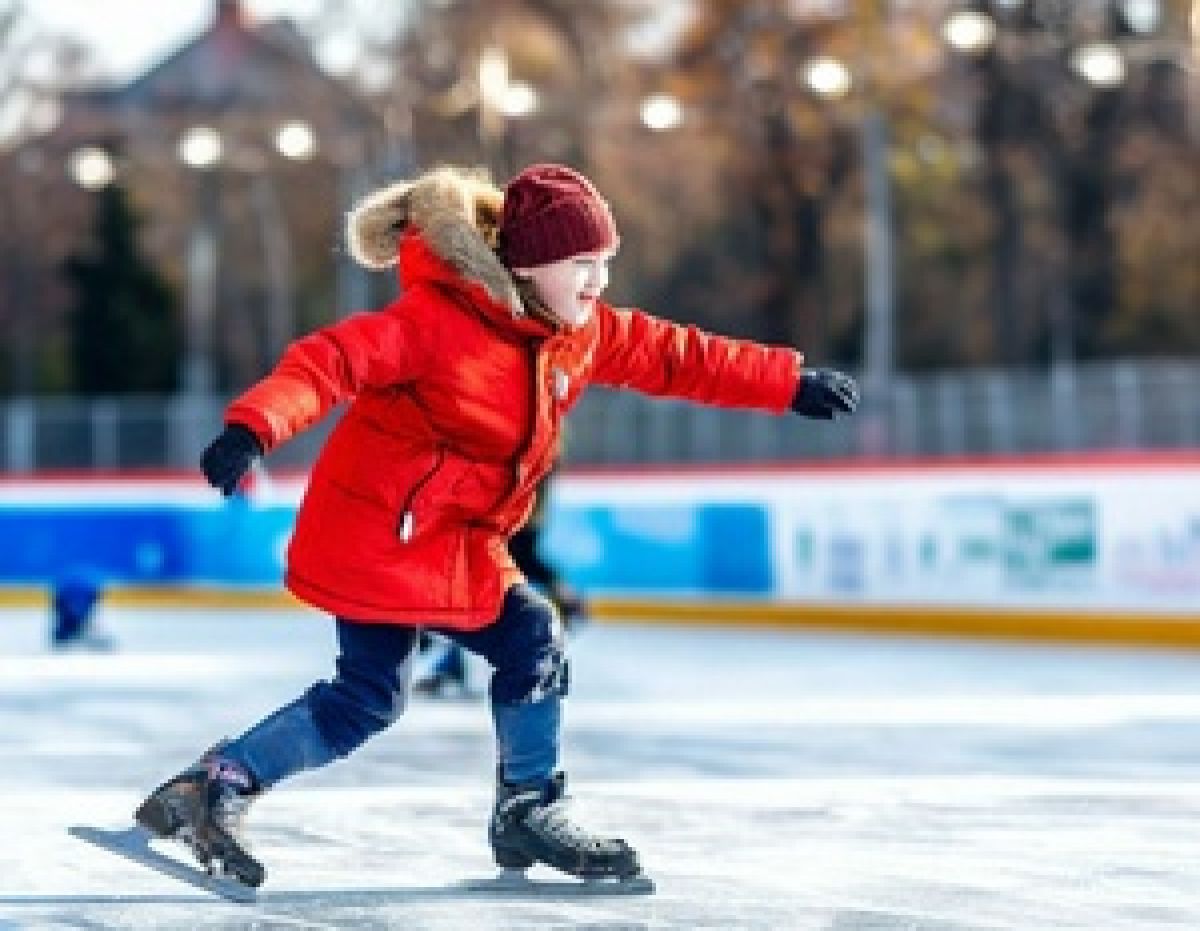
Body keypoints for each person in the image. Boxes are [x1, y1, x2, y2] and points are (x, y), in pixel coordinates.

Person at [134, 163, 859, 889]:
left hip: (461, 541)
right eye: (583, 264)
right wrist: (253, 427)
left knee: (533, 637)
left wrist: (787, 382)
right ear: (530, 265)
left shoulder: (580, 333)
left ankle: (527, 806)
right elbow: (333, 361)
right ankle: (216, 785)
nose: (599, 281)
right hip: (381, 533)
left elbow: (679, 356)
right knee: (368, 696)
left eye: (606, 262)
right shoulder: (436, 320)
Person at [413, 467, 585, 698]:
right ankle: (448, 664)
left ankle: (448, 663)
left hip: (510, 524)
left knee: (470, 595)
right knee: (466, 596)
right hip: (509, 522)